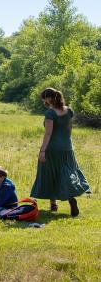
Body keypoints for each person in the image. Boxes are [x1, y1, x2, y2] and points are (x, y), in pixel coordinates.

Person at [30, 88, 90, 217]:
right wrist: (67, 144)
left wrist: (42, 150)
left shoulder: (50, 113)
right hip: (67, 148)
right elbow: (69, 130)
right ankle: (69, 199)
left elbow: (48, 133)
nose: (43, 101)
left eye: (43, 99)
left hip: (52, 148)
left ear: (47, 98)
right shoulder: (69, 111)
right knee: (66, 173)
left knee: (51, 172)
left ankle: (54, 204)